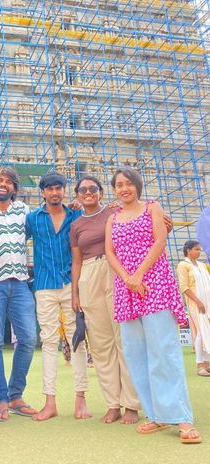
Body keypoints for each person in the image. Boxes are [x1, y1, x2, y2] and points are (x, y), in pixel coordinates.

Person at [105, 167, 201, 444]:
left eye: (129, 184)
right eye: (119, 185)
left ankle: (181, 417)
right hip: (126, 290)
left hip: (155, 284)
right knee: (137, 355)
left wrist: (138, 275)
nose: (124, 188)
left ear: (137, 185)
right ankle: (157, 415)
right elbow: (110, 252)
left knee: (164, 351)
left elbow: (159, 241)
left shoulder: (152, 207)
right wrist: (127, 278)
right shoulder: (113, 218)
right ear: (114, 190)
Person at [70, 176, 140, 424]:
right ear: (77, 195)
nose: (87, 193)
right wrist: (75, 293)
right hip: (88, 276)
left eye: (92, 189)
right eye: (82, 190)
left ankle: (131, 404)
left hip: (115, 271)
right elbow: (76, 260)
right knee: (101, 346)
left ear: (101, 192)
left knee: (124, 338)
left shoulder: (114, 212)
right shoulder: (76, 224)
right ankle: (112, 404)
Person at [26, 171, 92, 421]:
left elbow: (99, 218)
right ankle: (49, 402)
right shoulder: (32, 218)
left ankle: (80, 399)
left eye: (59, 188)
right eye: (49, 188)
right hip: (43, 285)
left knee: (77, 340)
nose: (54, 192)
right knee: (49, 342)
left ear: (64, 191)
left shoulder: (76, 215)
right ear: (42, 192)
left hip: (72, 285)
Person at [0, 167, 38, 422]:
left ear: (15, 188)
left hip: (21, 283)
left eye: (9, 182)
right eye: (0, 181)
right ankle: (0, 399)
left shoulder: (24, 211)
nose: (4, 185)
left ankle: (16, 396)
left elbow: (48, 221)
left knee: (28, 339)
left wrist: (75, 207)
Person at [177, 240, 210, 377]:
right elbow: (184, 287)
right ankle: (199, 364)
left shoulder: (202, 265)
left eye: (200, 249)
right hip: (195, 303)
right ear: (188, 250)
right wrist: (198, 302)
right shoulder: (183, 265)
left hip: (207, 301)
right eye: (196, 249)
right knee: (201, 331)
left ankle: (207, 363)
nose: (199, 252)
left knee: (207, 331)